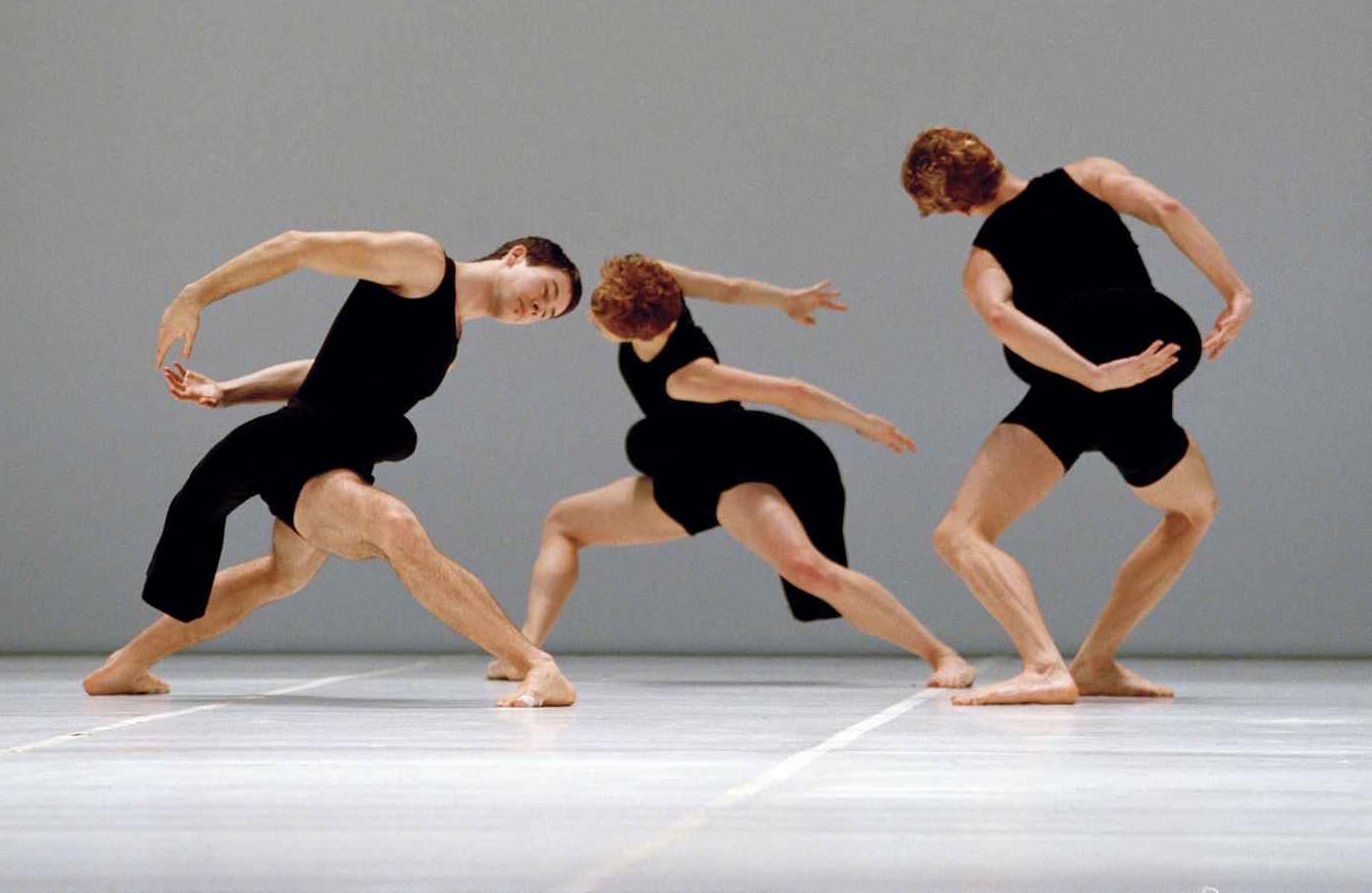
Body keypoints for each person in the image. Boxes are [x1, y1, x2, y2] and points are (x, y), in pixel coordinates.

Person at [84, 229, 584, 708]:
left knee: (282, 576)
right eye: (545, 291)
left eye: (547, 314)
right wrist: (194, 296)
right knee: (395, 527)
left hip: (329, 455)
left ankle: (123, 667)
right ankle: (535, 664)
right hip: (303, 449)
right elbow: (297, 246)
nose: (537, 310)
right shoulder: (424, 264)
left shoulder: (450, 347)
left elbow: (320, 370)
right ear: (517, 256)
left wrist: (229, 392)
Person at [489, 254, 976, 689]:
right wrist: (787, 299)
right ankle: (526, 653)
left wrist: (863, 423)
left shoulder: (690, 377)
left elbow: (791, 392)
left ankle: (943, 655)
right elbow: (730, 288)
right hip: (684, 465)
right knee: (564, 522)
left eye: (603, 323)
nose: (591, 321)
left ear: (639, 331)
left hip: (740, 465)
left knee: (811, 571)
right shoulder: (656, 282)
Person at [901, 128, 1251, 705]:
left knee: (960, 533)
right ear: (992, 156)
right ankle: (1096, 661)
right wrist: (1234, 292)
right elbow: (1168, 209)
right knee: (1195, 511)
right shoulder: (1088, 175)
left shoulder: (984, 258)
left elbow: (998, 316)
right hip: (1147, 377)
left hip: (1071, 392)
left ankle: (1046, 666)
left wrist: (1092, 374)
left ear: (956, 208)